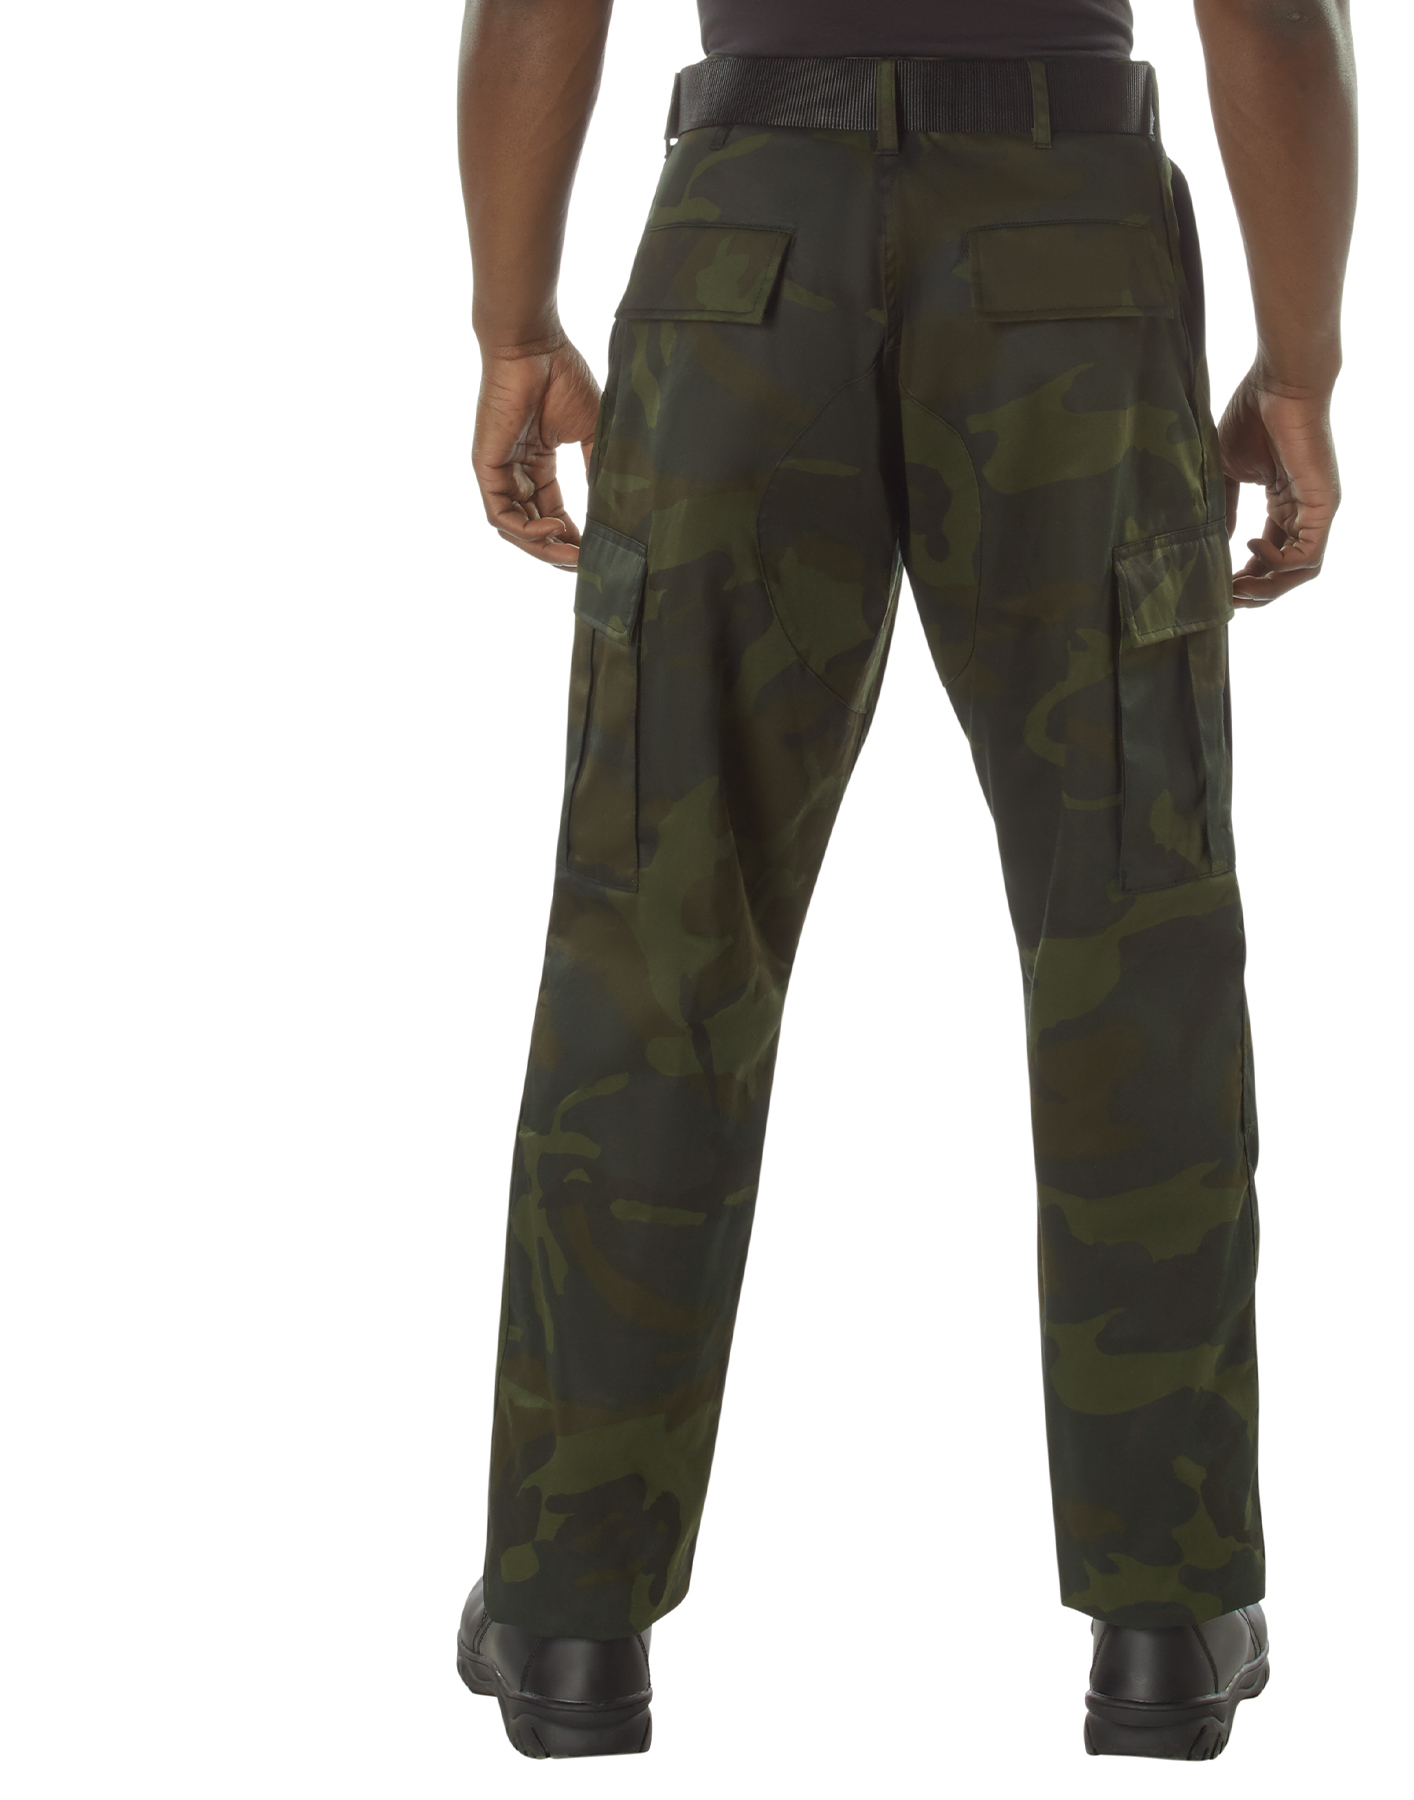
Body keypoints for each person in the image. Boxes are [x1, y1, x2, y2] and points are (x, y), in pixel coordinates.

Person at [452, 0, 1355, 1761]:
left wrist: (512, 321)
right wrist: (1302, 360)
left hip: (745, 248)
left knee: (652, 928)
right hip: (1067, 260)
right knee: (1133, 928)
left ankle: (568, 1612)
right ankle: (1167, 1614)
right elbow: (1270, 14)